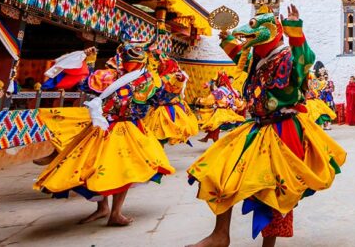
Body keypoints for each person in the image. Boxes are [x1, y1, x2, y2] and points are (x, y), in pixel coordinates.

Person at [187, 5, 346, 247]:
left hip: (284, 129)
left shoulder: (288, 58)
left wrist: (295, 29)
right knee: (219, 170)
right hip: (256, 126)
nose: (246, 35)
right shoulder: (256, 57)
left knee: (272, 189)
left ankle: (268, 245)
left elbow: (304, 60)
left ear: (272, 32)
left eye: (254, 30)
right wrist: (227, 38)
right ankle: (220, 235)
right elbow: (240, 52)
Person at [33, 41, 175, 226]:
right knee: (98, 167)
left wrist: (176, 83)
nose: (134, 60)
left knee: (123, 170)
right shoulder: (109, 75)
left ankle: (115, 212)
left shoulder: (145, 80)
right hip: (104, 127)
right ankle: (103, 209)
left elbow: (158, 99)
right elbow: (85, 84)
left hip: (129, 129)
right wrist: (88, 61)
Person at [143, 55, 200, 146]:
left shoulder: (165, 78)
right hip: (167, 108)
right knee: (161, 135)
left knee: (158, 134)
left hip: (163, 110)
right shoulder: (163, 77)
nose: (159, 66)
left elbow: (177, 84)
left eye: (161, 64)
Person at [196, 73, 246, 143]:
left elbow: (209, 101)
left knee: (214, 124)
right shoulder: (230, 91)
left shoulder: (218, 91)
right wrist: (241, 104)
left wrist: (200, 100)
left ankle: (215, 141)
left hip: (220, 112)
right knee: (214, 125)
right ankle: (208, 138)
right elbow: (237, 102)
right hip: (229, 111)